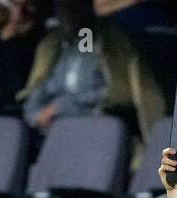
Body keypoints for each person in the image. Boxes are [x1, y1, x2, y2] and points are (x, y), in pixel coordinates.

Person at [16, 0, 165, 144]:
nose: (67, 14)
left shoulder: (111, 42)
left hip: (95, 131)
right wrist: (36, 114)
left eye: (72, 6)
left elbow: (109, 92)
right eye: (62, 8)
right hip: (54, 134)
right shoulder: (56, 46)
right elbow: (41, 89)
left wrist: (59, 107)